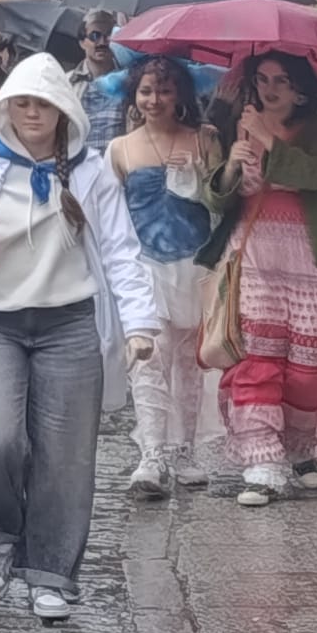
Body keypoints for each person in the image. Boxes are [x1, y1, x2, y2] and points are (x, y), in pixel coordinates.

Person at [0, 54, 157, 620]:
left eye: (45, 105)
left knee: (66, 457)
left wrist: (139, 324)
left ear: (65, 112)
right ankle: (2, 533)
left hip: (69, 324)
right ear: (7, 107)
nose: (34, 113)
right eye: (23, 103)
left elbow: (121, 249)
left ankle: (51, 571)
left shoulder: (91, 172)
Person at [199, 51, 317, 506]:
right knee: (258, 358)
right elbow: (216, 198)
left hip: (314, 262)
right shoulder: (240, 123)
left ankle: (299, 447)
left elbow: (315, 176)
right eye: (262, 79)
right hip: (254, 257)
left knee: (307, 369)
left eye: (281, 81)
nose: (270, 88)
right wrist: (233, 164)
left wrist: (269, 142)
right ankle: (263, 460)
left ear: (300, 90)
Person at [107, 56, 219, 498]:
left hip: (195, 265)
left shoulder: (205, 140)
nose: (155, 100)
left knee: (191, 364)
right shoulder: (120, 149)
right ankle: (151, 453)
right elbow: (112, 218)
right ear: (133, 95)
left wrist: (208, 174)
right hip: (144, 267)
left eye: (165, 90)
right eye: (147, 90)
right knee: (149, 359)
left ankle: (183, 449)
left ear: (182, 96)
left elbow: (222, 202)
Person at [69, 10, 127, 154]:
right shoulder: (67, 83)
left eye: (109, 36)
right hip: (78, 169)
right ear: (82, 42)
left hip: (116, 169)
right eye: (95, 36)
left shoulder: (129, 80)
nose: (102, 42)